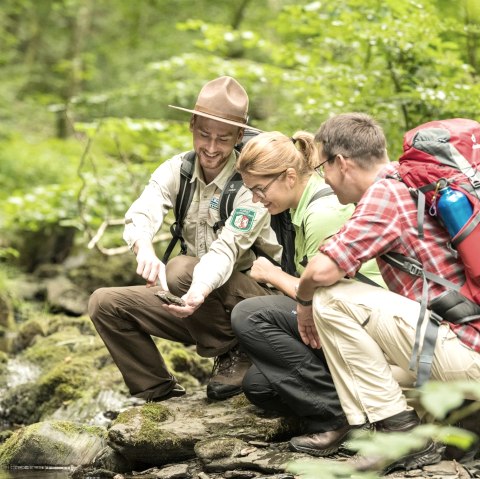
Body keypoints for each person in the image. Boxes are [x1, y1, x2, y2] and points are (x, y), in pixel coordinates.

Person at [294, 113, 480, 472]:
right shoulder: (412, 183)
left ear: (341, 163)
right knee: (373, 379)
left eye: (322, 168)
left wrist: (303, 302)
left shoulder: (386, 193)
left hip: (468, 355)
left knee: (329, 299)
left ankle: (401, 434)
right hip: (466, 347)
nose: (324, 180)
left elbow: (321, 271)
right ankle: (453, 423)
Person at [88, 76, 282, 403]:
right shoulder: (178, 169)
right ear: (192, 125)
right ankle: (157, 390)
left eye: (223, 139)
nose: (211, 147)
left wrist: (197, 289)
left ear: (238, 136)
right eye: (203, 134)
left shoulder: (252, 180)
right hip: (195, 301)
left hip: (252, 302)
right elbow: (143, 210)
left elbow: (227, 248)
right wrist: (144, 247)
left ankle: (234, 353)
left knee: (179, 270)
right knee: (104, 304)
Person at [230, 130, 385, 455]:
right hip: (345, 320)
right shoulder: (296, 212)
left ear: (288, 176)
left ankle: (337, 419)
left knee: (249, 315)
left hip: (370, 327)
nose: (256, 200)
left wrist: (272, 274)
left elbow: (324, 294)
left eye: (260, 189)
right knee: (258, 386)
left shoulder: (322, 213)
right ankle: (343, 403)